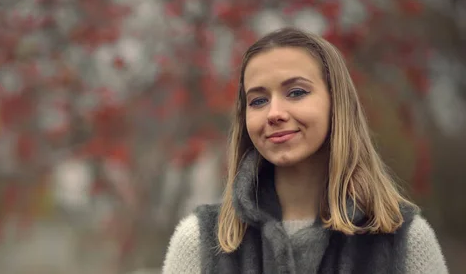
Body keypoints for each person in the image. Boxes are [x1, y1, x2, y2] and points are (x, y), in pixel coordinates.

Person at [162, 27, 448, 274]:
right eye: (258, 101)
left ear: (336, 103)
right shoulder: (199, 242)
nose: (274, 113)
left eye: (296, 92)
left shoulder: (406, 242)